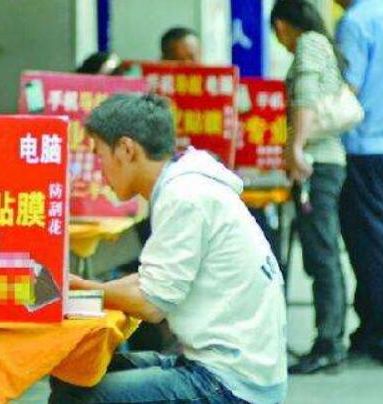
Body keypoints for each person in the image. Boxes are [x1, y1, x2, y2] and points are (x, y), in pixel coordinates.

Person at [50, 93, 287, 403]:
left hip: (231, 384)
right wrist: (81, 286)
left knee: (80, 398)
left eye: (99, 155)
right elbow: (149, 280)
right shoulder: (185, 185)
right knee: (77, 372)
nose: (99, 170)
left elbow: (151, 303)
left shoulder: (184, 197)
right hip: (231, 368)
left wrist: (81, 289)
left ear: (126, 149)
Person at [271, 0, 348, 374]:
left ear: (282, 25)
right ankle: (330, 340)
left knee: (321, 253)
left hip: (316, 163)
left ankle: (329, 343)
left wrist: (296, 149)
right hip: (323, 162)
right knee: (322, 251)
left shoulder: (308, 44)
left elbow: (304, 98)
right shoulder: (322, 43)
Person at [335, 0, 383, 364]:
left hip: (364, 146)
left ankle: (377, 332)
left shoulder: (354, 22)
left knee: (367, 244)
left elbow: (347, 91)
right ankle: (368, 330)